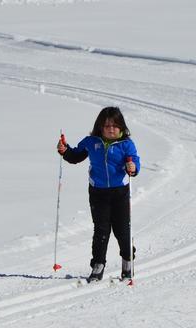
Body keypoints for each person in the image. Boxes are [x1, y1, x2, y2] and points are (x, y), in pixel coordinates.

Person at [57, 106, 141, 282]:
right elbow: (75, 156)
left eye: (115, 125)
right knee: (101, 230)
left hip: (120, 192)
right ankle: (98, 265)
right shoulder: (91, 142)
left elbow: (134, 162)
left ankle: (127, 262)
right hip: (98, 192)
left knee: (122, 230)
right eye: (107, 125)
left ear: (121, 127)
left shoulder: (126, 144)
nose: (111, 129)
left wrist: (132, 168)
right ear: (100, 127)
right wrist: (65, 151)